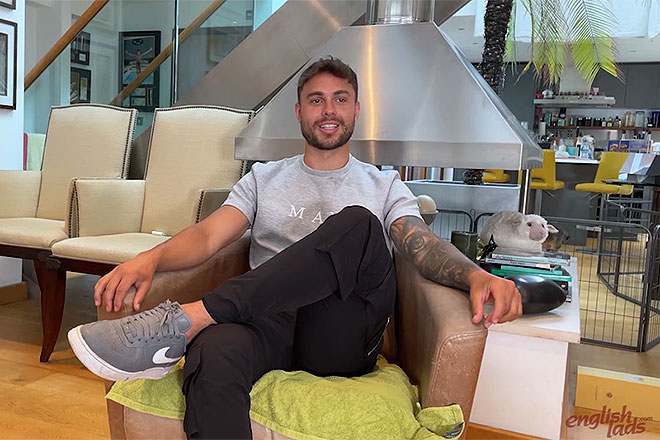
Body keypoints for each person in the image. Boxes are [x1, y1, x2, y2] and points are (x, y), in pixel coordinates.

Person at [68, 56, 522, 439]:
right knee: (213, 350)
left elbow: (420, 244)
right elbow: (208, 236)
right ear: (299, 111)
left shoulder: (382, 185)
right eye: (316, 100)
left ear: (356, 110)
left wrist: (474, 274)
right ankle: (199, 325)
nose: (329, 110)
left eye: (340, 99)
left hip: (342, 331)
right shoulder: (263, 178)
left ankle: (188, 318)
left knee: (359, 225)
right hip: (265, 323)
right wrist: (151, 258)